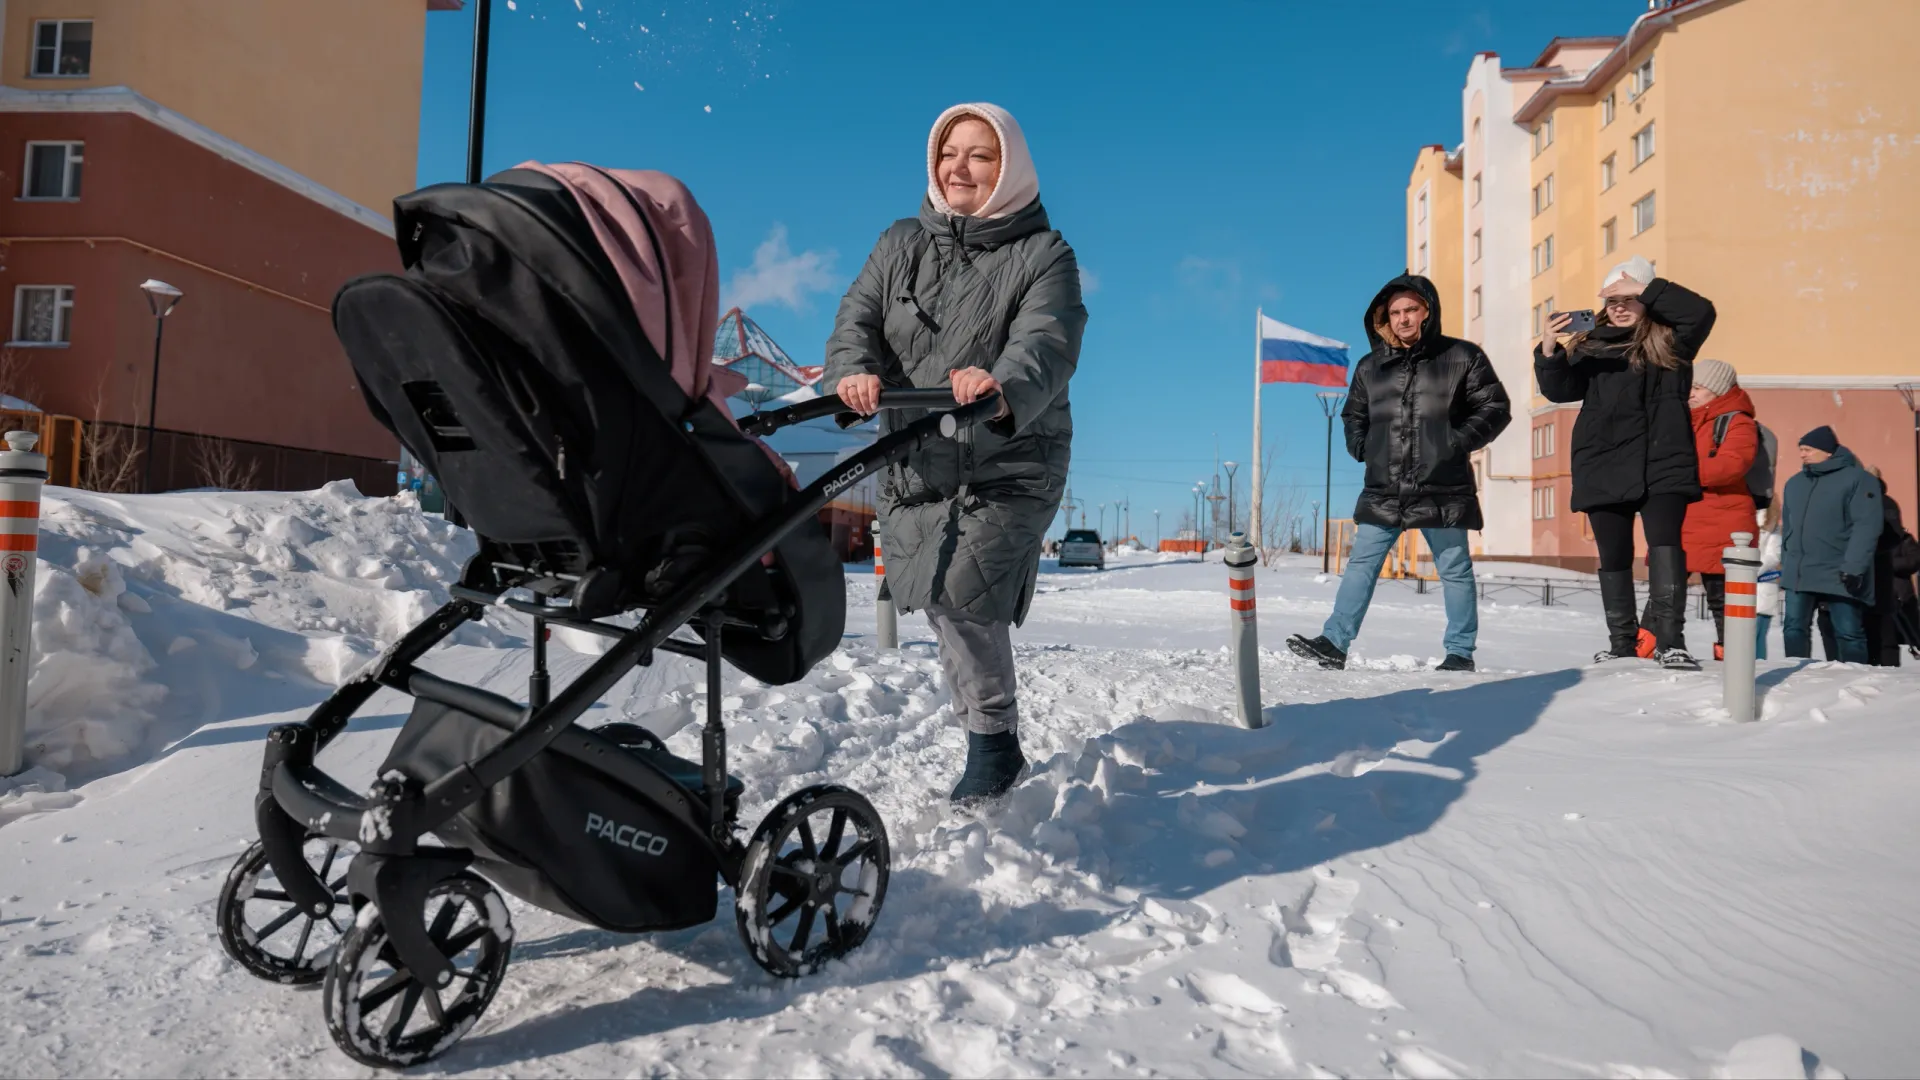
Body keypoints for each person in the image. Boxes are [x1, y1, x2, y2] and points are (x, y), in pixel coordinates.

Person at [825, 102, 1085, 805]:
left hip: (1012, 454)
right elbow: (859, 317)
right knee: (940, 598)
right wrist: (853, 368)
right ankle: (984, 729)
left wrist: (998, 385)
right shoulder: (900, 241)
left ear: (1011, 169)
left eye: (980, 155)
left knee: (964, 595)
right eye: (949, 152)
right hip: (920, 454)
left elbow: (1048, 341)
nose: (959, 167)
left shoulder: (1045, 255)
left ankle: (994, 745)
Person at [1286, 274, 1511, 672]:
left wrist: (1455, 442)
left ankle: (1460, 653)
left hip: (1442, 484)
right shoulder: (1371, 367)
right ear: (1383, 319)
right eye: (1395, 312)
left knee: (1454, 569)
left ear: (1428, 311)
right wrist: (1363, 447)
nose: (1404, 318)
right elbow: (1354, 414)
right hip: (1384, 486)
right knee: (1361, 564)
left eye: (1411, 310)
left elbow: (1494, 407)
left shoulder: (1462, 356)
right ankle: (1334, 643)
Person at [1535, 256, 1717, 670]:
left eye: (1628, 299)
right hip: (1602, 463)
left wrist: (1644, 287)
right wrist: (1549, 348)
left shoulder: (1673, 341)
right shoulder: (1590, 344)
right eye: (1611, 300)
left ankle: (1671, 641)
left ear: (1646, 299)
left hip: (1662, 462)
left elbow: (1701, 311)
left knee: (1666, 548)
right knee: (1613, 555)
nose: (1618, 306)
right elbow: (1560, 390)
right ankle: (1622, 643)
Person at [1779, 426, 1880, 663]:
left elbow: (1867, 526)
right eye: (1801, 450)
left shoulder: (1858, 479)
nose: (1802, 454)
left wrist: (1854, 566)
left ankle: (1855, 681)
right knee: (1793, 628)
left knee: (1849, 633)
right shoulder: (1795, 483)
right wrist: (1787, 562)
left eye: (1808, 449)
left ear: (1828, 452)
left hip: (1839, 570)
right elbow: (1789, 527)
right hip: (1800, 571)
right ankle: (1795, 675)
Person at [1679, 359, 1757, 661]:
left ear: (1717, 391)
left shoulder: (1737, 421)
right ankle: (1654, 649)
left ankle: (1733, 658)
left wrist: (1679, 472)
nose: (1692, 394)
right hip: (1683, 517)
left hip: (1724, 521)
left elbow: (1732, 464)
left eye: (1698, 388)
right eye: (1690, 387)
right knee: (1666, 593)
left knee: (1722, 596)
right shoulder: (1684, 419)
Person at [1755, 503, 1782, 659]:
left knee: (1757, 636)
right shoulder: (1740, 518)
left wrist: (1750, 572)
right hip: (1739, 586)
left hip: (1763, 586)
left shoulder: (1772, 524)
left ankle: (1759, 672)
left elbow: (1773, 556)